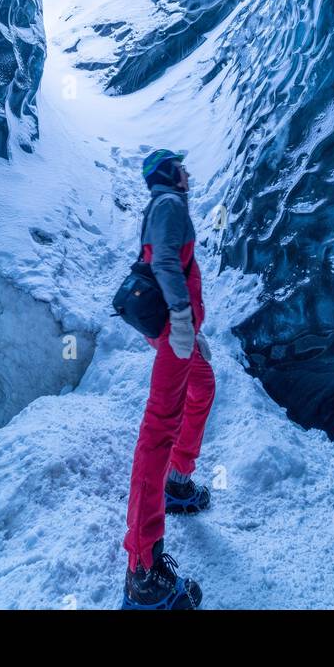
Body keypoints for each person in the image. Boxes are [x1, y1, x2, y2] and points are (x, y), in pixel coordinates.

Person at [121, 149, 215, 610]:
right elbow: (163, 266)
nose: (186, 171)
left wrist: (186, 329)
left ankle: (178, 482)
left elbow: (161, 264)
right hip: (175, 333)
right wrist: (181, 320)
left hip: (177, 335)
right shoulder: (170, 205)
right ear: (167, 173)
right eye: (180, 166)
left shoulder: (160, 206)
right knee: (156, 431)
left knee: (204, 386)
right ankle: (142, 570)